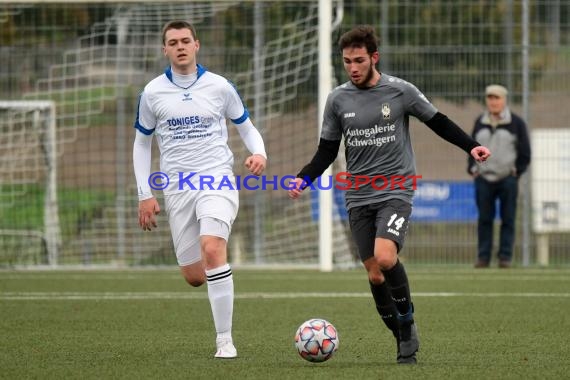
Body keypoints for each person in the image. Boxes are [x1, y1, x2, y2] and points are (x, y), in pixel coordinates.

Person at [288, 25, 490, 364]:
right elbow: (326, 150)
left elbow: (438, 121)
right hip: (357, 195)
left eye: (359, 60)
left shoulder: (400, 91)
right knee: (374, 272)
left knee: (385, 256)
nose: (352, 67)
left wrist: (472, 147)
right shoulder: (338, 99)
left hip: (396, 188)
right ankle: (399, 334)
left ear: (374, 58)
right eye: (346, 61)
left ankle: (408, 323)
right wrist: (303, 179)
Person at [132, 20, 267, 359]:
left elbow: (247, 128)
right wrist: (144, 194)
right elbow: (141, 144)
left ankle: (225, 341)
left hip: (216, 179)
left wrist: (259, 153)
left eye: (185, 40)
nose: (179, 46)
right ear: (165, 49)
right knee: (195, 276)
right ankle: (217, 277)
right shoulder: (152, 93)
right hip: (177, 188)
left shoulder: (219, 86)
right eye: (172, 42)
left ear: (197, 45)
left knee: (212, 249)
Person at [468, 84, 531, 269]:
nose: (493, 101)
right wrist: (473, 169)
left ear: (504, 100)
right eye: (490, 98)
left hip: (507, 180)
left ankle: (505, 258)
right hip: (483, 179)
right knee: (484, 220)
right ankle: (483, 258)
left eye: (496, 98)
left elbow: (525, 152)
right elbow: (470, 147)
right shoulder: (480, 121)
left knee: (508, 219)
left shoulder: (517, 123)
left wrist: (516, 172)